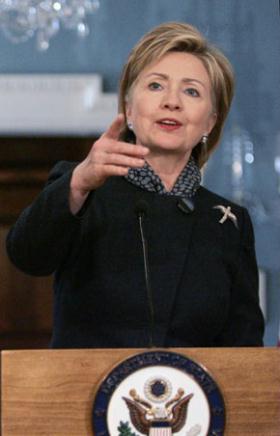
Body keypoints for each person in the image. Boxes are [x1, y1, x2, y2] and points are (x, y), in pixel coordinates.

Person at [6, 22, 264, 348]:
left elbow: (243, 347)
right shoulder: (83, 188)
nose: (172, 101)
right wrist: (78, 184)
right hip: (87, 395)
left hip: (191, 397)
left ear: (210, 122)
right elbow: (27, 256)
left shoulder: (229, 222)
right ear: (129, 110)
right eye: (156, 86)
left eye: (192, 91)